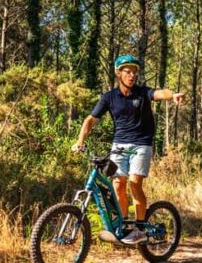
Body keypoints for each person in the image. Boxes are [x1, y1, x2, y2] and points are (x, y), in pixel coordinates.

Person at [72, 55, 185, 244]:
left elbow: (159, 93)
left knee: (134, 183)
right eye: (127, 71)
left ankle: (140, 228)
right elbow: (90, 120)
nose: (132, 75)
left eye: (134, 72)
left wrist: (172, 95)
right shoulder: (109, 97)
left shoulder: (142, 93)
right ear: (118, 73)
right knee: (118, 184)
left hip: (141, 144)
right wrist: (80, 141)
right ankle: (123, 228)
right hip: (119, 145)